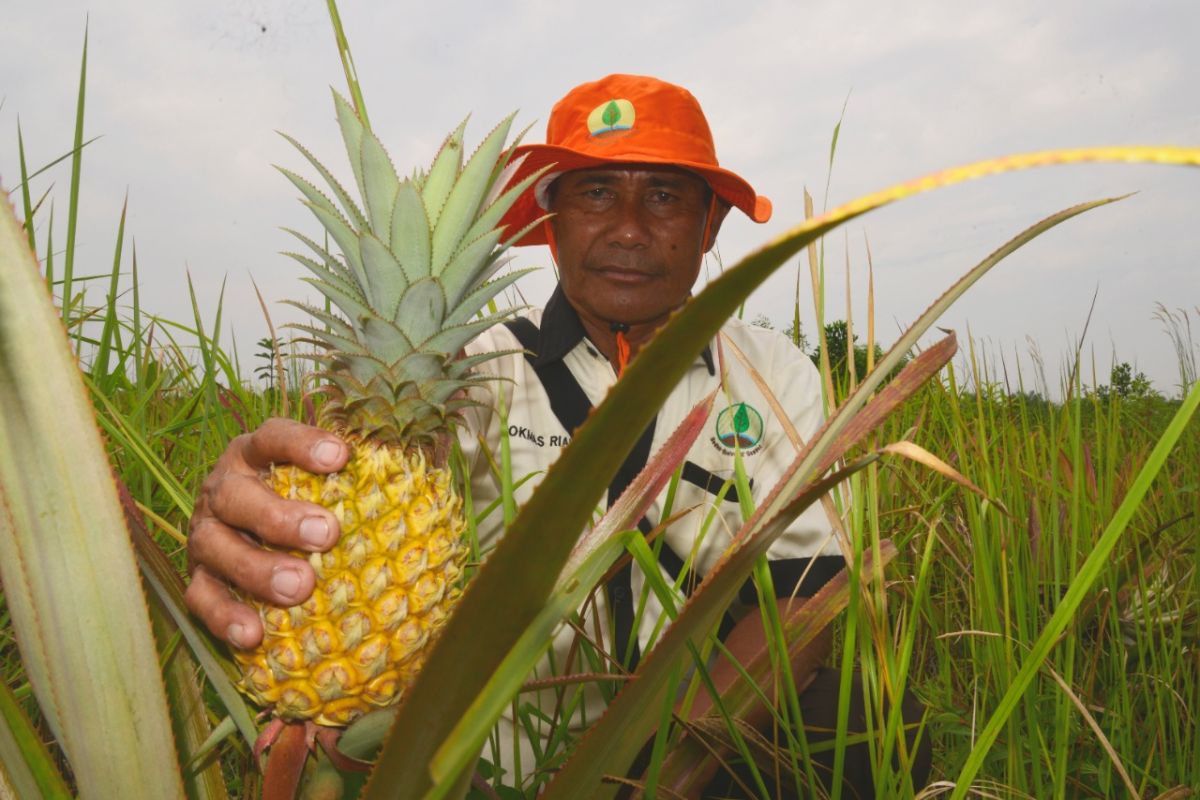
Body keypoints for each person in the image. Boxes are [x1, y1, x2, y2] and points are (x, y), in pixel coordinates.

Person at [186, 74, 930, 796]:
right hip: (482, 768)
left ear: (711, 225)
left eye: (665, 196)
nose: (630, 228)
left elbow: (807, 602)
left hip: (695, 747)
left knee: (868, 723)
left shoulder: (771, 371)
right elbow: (377, 470)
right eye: (597, 192)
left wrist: (650, 778)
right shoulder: (471, 370)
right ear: (550, 224)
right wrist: (274, 497)